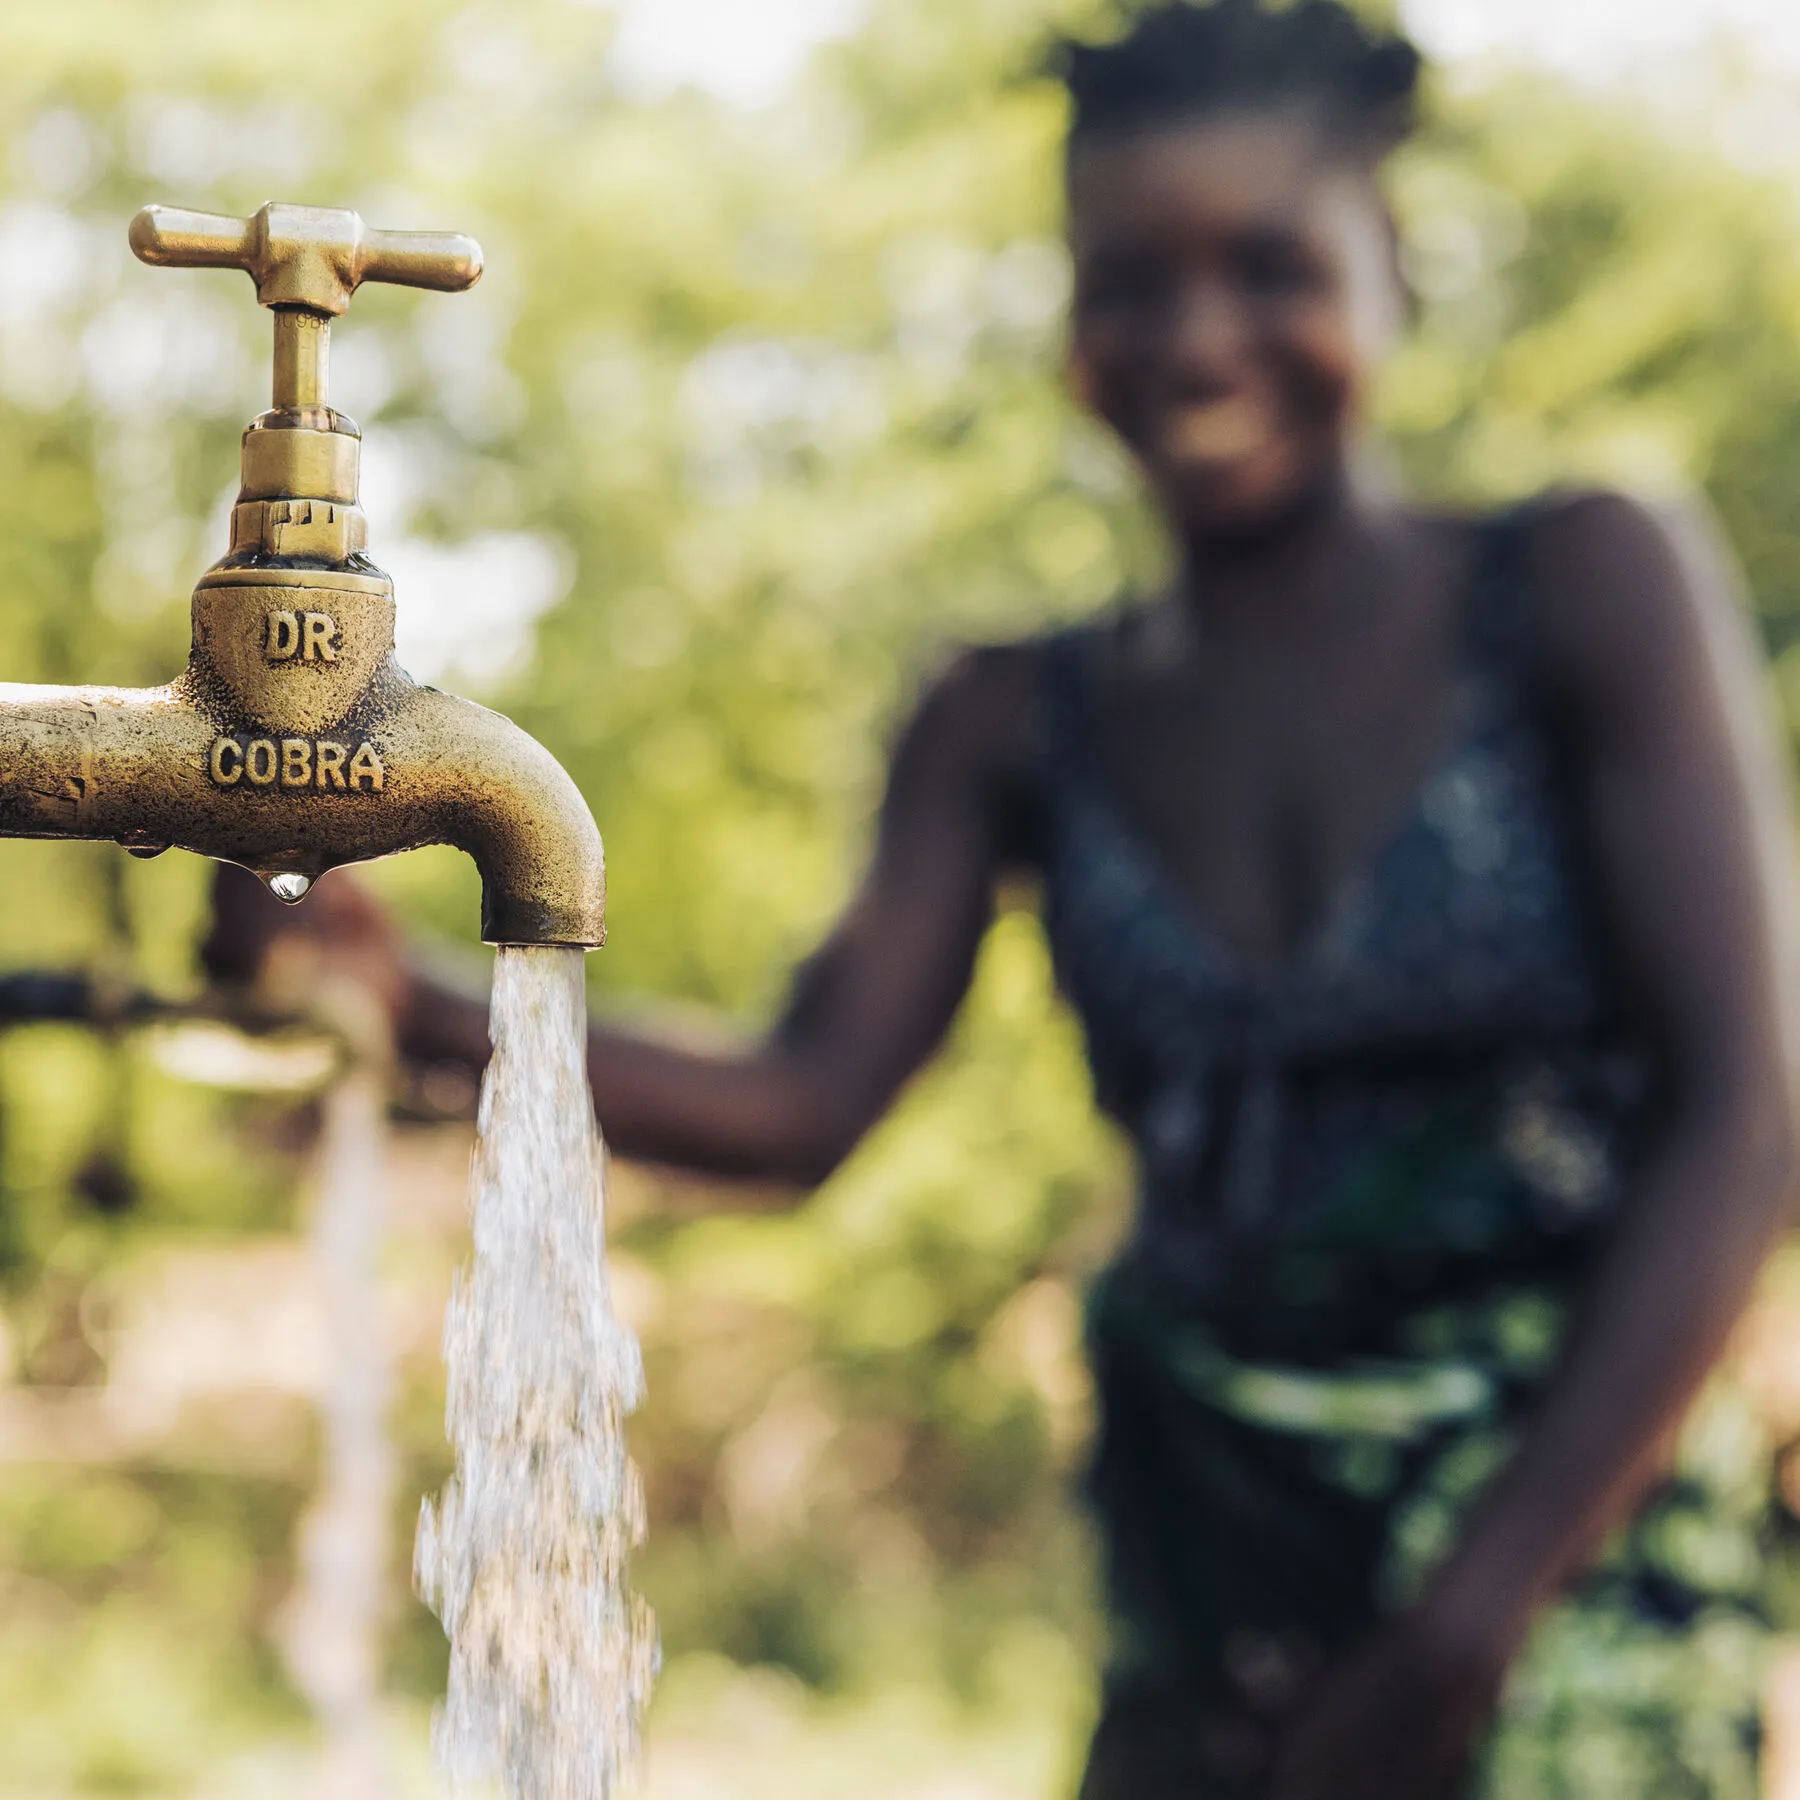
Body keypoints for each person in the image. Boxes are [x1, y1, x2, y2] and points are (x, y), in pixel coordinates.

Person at [204, 3, 1800, 1793]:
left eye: (1269, 264)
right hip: (1214, 1581)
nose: (1195, 336)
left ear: (1395, 269)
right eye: (1126, 280)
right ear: (1068, 321)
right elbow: (806, 1103)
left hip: (1572, 1573)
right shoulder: (1018, 717)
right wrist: (409, 993)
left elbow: (1748, 1120)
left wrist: (1460, 1633)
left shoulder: (1582, 585)